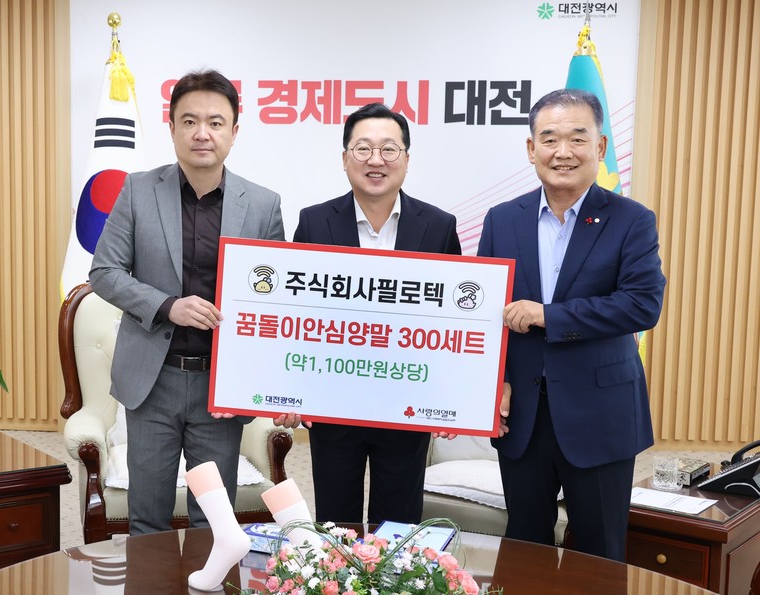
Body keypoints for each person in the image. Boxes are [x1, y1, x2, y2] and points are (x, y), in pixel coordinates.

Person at [89, 69, 289, 535]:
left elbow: (275, 300)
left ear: (234, 131)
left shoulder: (263, 205)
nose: (203, 133)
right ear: (173, 128)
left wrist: (270, 383)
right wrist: (167, 306)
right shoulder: (138, 190)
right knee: (147, 520)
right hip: (152, 380)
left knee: (213, 524)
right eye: (190, 121)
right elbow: (103, 272)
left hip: (220, 387)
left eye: (215, 122)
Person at [477, 89, 666, 561]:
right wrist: (495, 381)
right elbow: (485, 313)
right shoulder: (502, 219)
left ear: (600, 147)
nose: (563, 152)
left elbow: (642, 305)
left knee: (600, 555)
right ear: (531, 149)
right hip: (523, 416)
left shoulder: (631, 220)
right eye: (549, 139)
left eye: (577, 139)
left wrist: (548, 315)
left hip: (601, 415)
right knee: (525, 551)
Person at [292, 102, 462, 524]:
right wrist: (293, 391)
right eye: (363, 148)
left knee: (399, 527)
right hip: (333, 401)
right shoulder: (314, 223)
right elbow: (294, 316)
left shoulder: (439, 226)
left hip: (407, 404)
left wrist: (450, 400)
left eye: (389, 149)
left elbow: (454, 322)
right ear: (345, 157)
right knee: (336, 525)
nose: (376, 160)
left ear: (406, 158)